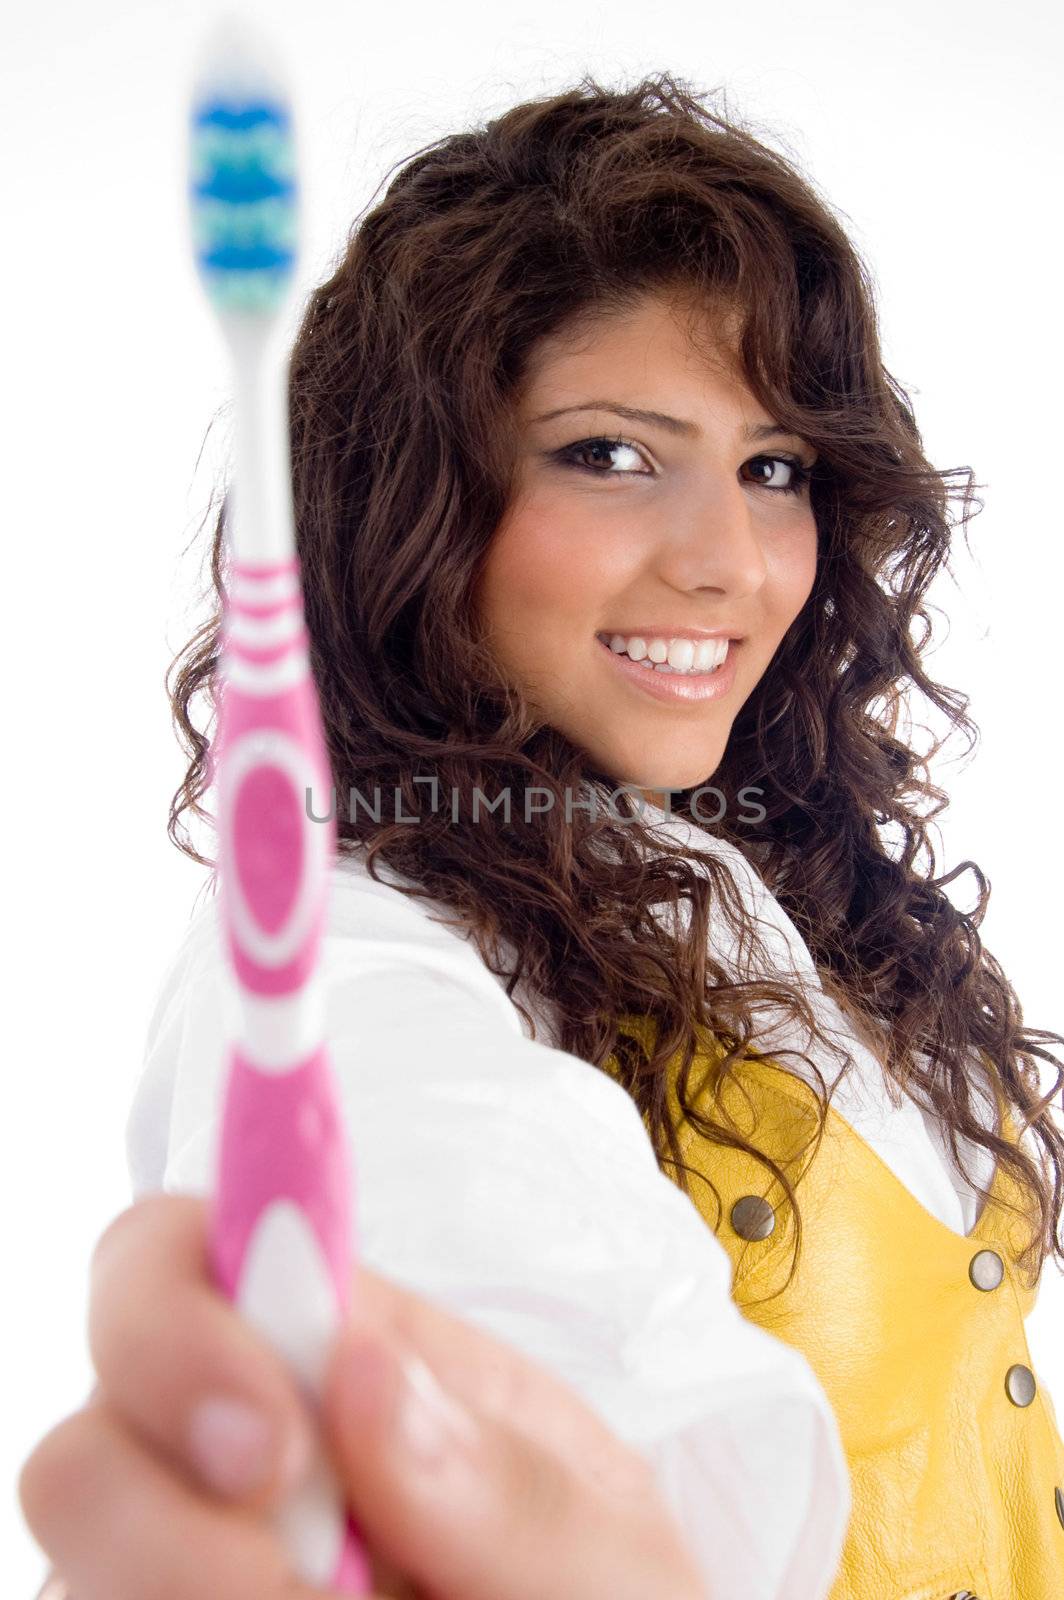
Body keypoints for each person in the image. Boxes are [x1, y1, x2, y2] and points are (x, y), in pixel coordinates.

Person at [19, 71, 1064, 1598]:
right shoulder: (364, 950)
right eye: (611, 454)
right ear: (418, 502)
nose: (729, 562)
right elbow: (484, 1327)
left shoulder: (784, 882)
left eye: (773, 469)